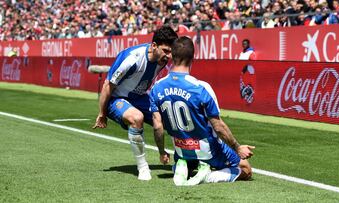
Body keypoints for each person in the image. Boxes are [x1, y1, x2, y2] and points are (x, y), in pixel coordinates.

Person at [149, 36, 255, 186]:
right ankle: (209, 176)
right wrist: (237, 147)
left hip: (181, 150)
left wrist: (162, 152)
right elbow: (218, 126)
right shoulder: (201, 88)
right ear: (193, 58)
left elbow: (157, 126)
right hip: (207, 149)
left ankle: (180, 165)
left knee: (185, 155)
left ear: (172, 55)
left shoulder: (157, 87)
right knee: (245, 169)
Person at [92, 26, 178, 181]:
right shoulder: (132, 58)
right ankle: (143, 168)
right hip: (116, 99)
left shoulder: (162, 59)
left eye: (171, 51)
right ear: (154, 46)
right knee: (136, 118)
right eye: (166, 51)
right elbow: (107, 86)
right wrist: (102, 114)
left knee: (171, 117)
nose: (169, 56)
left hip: (139, 98)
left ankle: (182, 161)